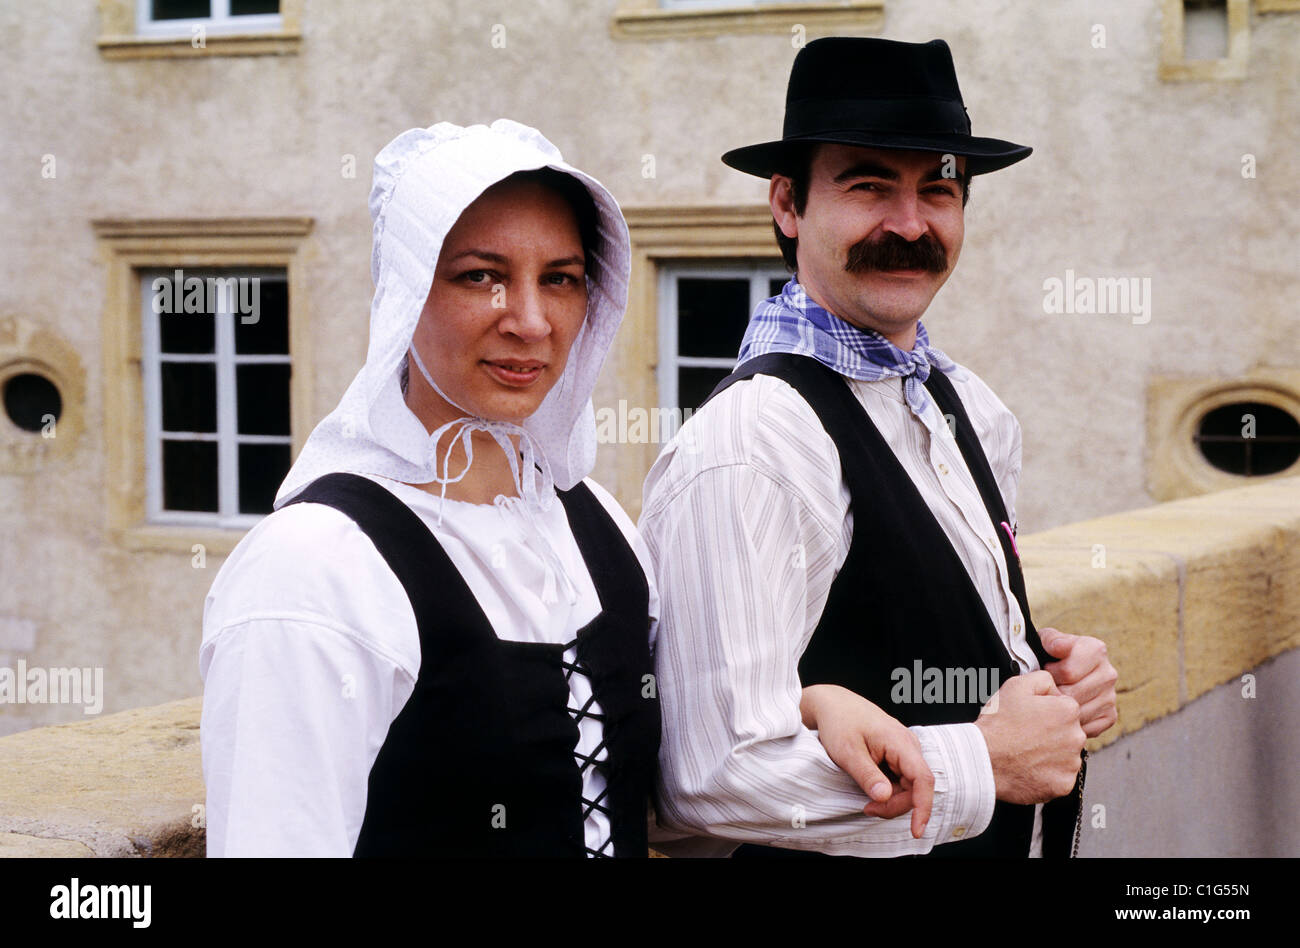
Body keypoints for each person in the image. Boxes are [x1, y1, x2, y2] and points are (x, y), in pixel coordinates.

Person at [641, 37, 1118, 857]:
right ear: (788, 205)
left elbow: (914, 626)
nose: (910, 223)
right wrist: (987, 760)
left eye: (938, 188)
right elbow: (712, 769)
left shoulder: (971, 407)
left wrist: (1045, 679)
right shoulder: (755, 438)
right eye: (869, 186)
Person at [199, 120, 663, 857]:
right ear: (406, 290)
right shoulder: (313, 567)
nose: (532, 322)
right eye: (481, 275)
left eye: (561, 279)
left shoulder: (595, 524)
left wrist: (814, 703)